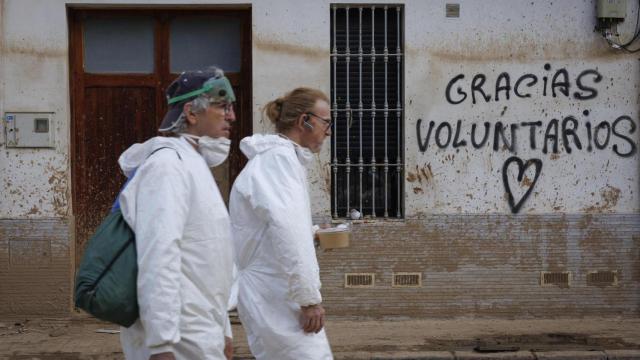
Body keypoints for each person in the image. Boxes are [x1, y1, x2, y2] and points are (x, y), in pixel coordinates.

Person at [117, 68, 236, 360]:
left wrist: (223, 330)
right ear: (191, 114)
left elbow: (207, 259)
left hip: (200, 328)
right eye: (222, 105)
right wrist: (161, 343)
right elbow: (159, 254)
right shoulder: (167, 166)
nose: (231, 116)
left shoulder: (193, 163)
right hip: (179, 335)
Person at [229, 87, 334, 359]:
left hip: (274, 289)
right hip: (274, 293)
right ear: (304, 121)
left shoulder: (280, 160)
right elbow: (288, 231)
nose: (328, 131)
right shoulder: (278, 161)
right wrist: (309, 298)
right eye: (326, 123)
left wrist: (310, 233)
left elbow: (277, 228)